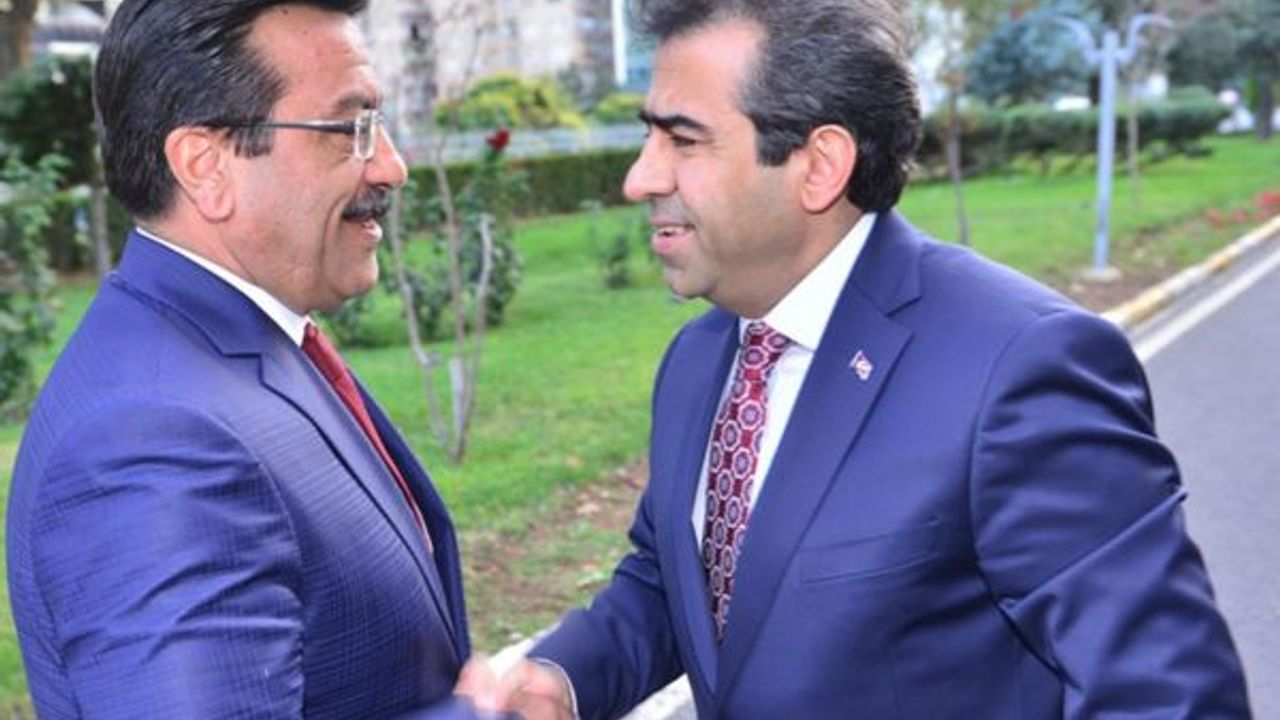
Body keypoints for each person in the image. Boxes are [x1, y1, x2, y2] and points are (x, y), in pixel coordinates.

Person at [509, 0, 1252, 717]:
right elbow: (679, 581)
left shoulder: (1017, 368)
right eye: (650, 137)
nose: (639, 178)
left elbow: (1167, 693)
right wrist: (563, 679)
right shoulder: (698, 360)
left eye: (684, 140)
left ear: (820, 165)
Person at [5, 1, 524, 717]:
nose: (391, 165)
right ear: (206, 166)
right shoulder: (150, 440)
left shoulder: (238, 342)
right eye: (351, 128)